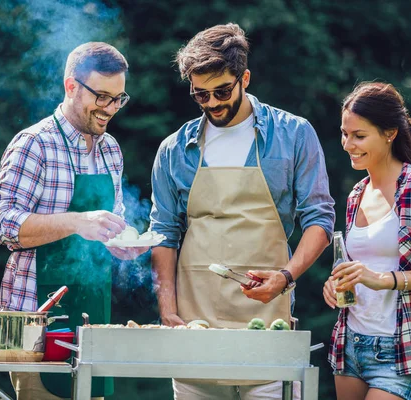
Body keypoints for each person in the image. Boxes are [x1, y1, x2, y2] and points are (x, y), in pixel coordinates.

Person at [150, 23, 335, 399]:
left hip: (268, 324)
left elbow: (319, 218)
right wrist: (168, 311)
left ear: (244, 78)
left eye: (222, 91)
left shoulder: (294, 134)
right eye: (201, 96)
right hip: (194, 326)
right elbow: (164, 234)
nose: (213, 103)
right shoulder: (173, 150)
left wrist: (286, 276)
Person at [0, 42, 148, 400]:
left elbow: (111, 223)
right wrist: (77, 221)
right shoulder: (35, 143)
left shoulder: (111, 149)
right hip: (38, 322)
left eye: (119, 98)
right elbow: (2, 225)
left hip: (92, 316)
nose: (110, 109)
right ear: (71, 86)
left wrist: (123, 243)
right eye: (102, 96)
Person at [323, 82, 411, 400]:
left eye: (359, 136)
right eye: (345, 133)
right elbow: (358, 266)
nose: (348, 144)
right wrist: (335, 285)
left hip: (402, 350)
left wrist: (384, 280)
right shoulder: (356, 194)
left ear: (390, 133)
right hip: (351, 344)